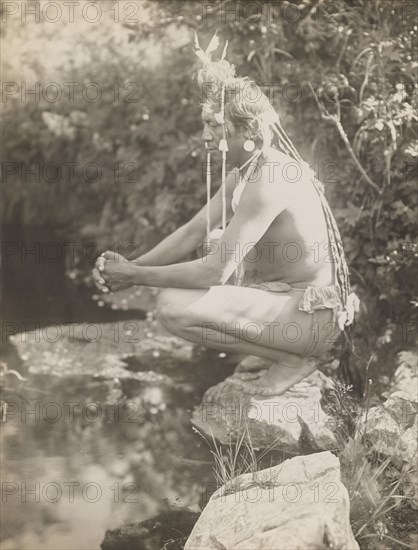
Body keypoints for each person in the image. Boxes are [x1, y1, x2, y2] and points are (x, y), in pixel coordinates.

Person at [92, 34, 359, 395]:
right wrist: (129, 266)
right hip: (282, 304)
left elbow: (216, 270)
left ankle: (295, 358)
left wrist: (136, 276)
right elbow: (193, 231)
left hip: (312, 317)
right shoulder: (244, 172)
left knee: (172, 306)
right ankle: (276, 350)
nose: (204, 135)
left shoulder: (272, 176)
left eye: (215, 125)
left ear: (249, 130)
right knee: (188, 277)